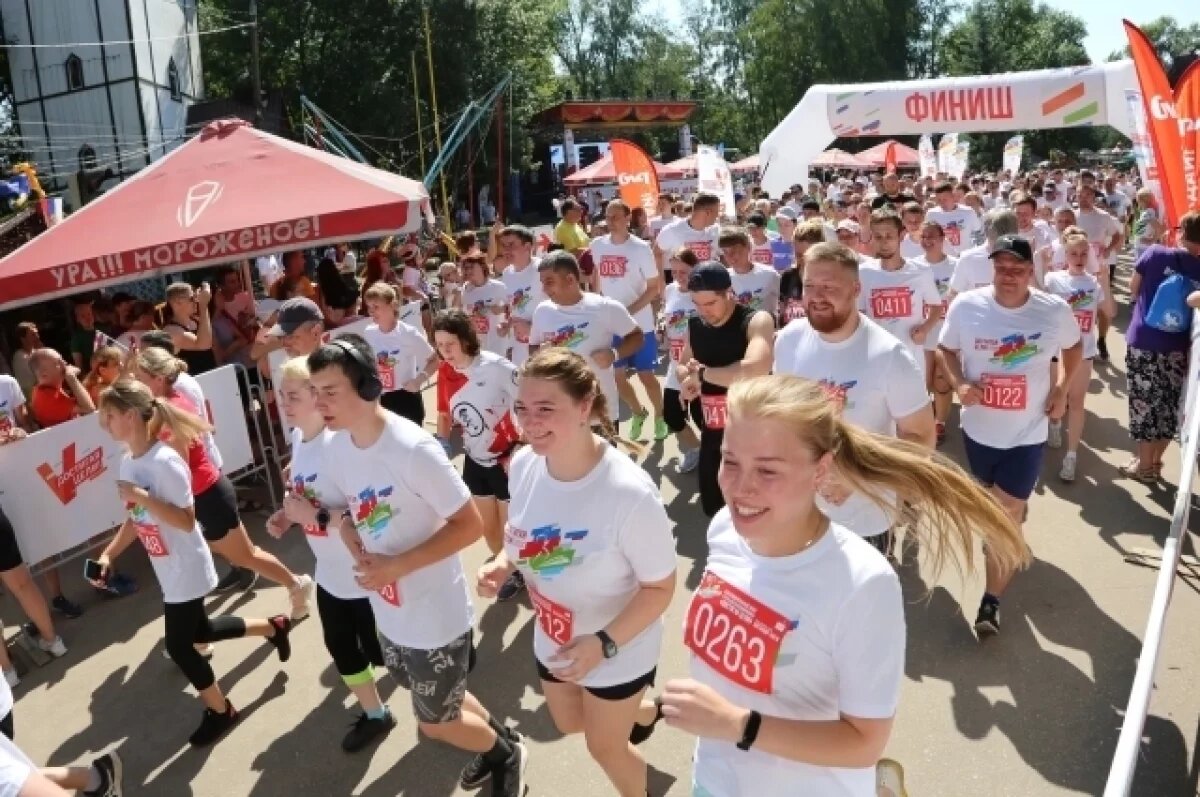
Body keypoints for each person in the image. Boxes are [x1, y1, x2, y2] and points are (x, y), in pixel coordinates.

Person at [658, 374, 1028, 797]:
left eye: (767, 469)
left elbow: (864, 741)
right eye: (730, 460)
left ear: (822, 468)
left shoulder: (862, 585)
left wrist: (737, 724)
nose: (741, 487)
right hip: (716, 781)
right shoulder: (725, 530)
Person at [307, 334, 527, 795]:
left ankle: (506, 755)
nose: (319, 401)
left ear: (367, 387)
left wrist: (398, 566)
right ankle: (499, 739)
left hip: (434, 616)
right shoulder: (336, 446)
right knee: (438, 697)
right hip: (389, 609)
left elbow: (467, 525)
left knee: (435, 724)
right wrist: (351, 536)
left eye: (330, 390)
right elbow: (353, 511)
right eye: (315, 391)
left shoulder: (412, 448)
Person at [476, 348, 676, 797]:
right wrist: (503, 562)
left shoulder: (627, 493)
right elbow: (520, 532)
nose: (530, 421)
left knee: (605, 748)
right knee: (569, 721)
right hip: (554, 636)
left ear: (585, 406)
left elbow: (661, 587)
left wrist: (603, 644)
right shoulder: (526, 463)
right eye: (523, 408)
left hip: (618, 646)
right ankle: (644, 711)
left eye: (546, 409)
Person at [92, 378, 292, 746]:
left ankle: (221, 710)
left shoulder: (164, 461)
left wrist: (142, 496)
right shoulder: (128, 462)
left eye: (110, 414)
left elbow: (185, 520)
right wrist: (108, 555)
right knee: (200, 632)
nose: (104, 422)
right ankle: (273, 626)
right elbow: (137, 518)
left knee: (182, 646)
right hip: (166, 564)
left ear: (132, 416)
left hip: (186, 563)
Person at [938, 234, 1082, 635]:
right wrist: (960, 384)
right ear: (993, 269)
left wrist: (1062, 389)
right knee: (991, 505)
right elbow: (945, 349)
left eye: (1017, 269)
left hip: (1027, 433)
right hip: (979, 431)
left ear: (1030, 272)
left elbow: (1073, 349)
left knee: (1003, 516)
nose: (1009, 276)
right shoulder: (968, 307)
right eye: (1002, 268)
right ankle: (1012, 516)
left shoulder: (1051, 311)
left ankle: (991, 602)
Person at [774, 242, 935, 555]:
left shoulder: (889, 355)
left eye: (829, 286)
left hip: (866, 518)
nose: (817, 296)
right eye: (809, 286)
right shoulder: (788, 340)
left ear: (856, 289)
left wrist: (855, 477)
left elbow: (921, 436)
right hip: (802, 511)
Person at [269, 357, 395, 753]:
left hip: (366, 572)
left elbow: (367, 514)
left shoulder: (340, 445)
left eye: (293, 395)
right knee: (341, 647)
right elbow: (308, 500)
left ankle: (451, 674)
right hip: (330, 574)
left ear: (317, 396)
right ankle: (377, 714)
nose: (283, 403)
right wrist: (287, 514)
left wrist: (316, 516)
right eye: (282, 395)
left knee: (387, 653)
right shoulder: (297, 440)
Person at [134, 347, 314, 620]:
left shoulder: (173, 407)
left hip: (207, 495)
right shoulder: (164, 404)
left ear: (157, 379)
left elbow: (178, 467)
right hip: (201, 495)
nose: (137, 383)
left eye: (140, 377)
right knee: (226, 553)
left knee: (247, 556)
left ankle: (296, 584)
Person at [432, 310, 524, 601]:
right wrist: (442, 446)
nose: (445, 351)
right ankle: (504, 563)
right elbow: (444, 414)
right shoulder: (445, 373)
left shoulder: (496, 367)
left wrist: (522, 443)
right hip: (475, 461)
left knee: (511, 527)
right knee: (489, 529)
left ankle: (518, 572)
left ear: (466, 340)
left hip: (507, 459)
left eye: (451, 344)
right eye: (439, 344)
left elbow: (528, 401)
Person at [675, 263, 775, 517]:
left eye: (710, 304)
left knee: (756, 511)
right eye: (697, 304)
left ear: (729, 292)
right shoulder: (695, 325)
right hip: (714, 433)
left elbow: (756, 368)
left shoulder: (755, 320)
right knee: (715, 508)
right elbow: (683, 365)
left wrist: (702, 374)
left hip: (754, 436)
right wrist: (687, 380)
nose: (703, 311)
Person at [1120, 211, 1200, 481]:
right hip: (1178, 347)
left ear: (1181, 233)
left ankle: (1143, 467)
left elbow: (1133, 288)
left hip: (1144, 340)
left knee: (1144, 405)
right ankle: (1154, 463)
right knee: (1168, 406)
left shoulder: (1154, 253)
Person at [529, 251, 643, 435]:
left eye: (549, 282)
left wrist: (613, 354)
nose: (544, 289)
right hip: (560, 412)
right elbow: (533, 348)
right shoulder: (542, 311)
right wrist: (540, 354)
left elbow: (637, 336)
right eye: (542, 282)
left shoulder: (605, 307)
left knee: (605, 464)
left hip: (599, 411)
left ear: (571, 279)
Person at [590, 200, 666, 442]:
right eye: (608, 216)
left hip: (639, 325)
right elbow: (597, 279)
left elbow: (654, 288)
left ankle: (660, 416)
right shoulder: (597, 245)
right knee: (616, 376)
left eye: (615, 216)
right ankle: (637, 412)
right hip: (610, 326)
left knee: (646, 376)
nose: (611, 221)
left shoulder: (640, 249)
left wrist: (629, 310)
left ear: (627, 219)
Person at [1042, 230, 1114, 482]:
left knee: (1077, 401)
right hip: (1055, 350)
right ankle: (1054, 424)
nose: (1079, 257)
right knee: (1055, 395)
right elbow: (1036, 303)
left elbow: (1110, 311)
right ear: (1065, 254)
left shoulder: (1093, 284)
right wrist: (1039, 264)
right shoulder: (1052, 279)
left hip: (1084, 350)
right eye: (1074, 253)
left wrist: (1104, 281)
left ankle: (1071, 457)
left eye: (1084, 253)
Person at [858, 210, 942, 380]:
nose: (884, 243)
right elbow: (859, 312)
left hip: (911, 358)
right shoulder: (863, 273)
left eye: (889, 236)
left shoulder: (921, 271)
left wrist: (925, 329)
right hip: (876, 358)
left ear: (901, 235)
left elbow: (936, 306)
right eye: (878, 237)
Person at [361, 283, 438, 427]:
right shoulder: (369, 332)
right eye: (369, 307)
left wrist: (419, 381)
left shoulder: (408, 333)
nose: (371, 312)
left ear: (393, 305)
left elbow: (434, 360)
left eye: (376, 307)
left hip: (406, 399)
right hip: (382, 400)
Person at [913, 221, 959, 441]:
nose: (928, 241)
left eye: (932, 236)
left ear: (942, 239)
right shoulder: (912, 266)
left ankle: (939, 422)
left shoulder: (956, 266)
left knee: (941, 381)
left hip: (946, 333)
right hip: (921, 332)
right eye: (924, 236)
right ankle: (923, 418)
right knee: (922, 381)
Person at [660, 248, 704, 474]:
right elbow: (668, 318)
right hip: (675, 362)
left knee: (701, 416)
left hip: (698, 364)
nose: (678, 275)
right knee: (671, 414)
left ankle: (717, 454)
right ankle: (696, 449)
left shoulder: (703, 293)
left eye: (683, 271)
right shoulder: (669, 290)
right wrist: (663, 330)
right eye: (674, 271)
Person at [1073, 183, 1124, 360]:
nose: (1083, 198)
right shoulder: (1072, 216)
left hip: (1099, 269)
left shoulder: (1103, 217)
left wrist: (1109, 249)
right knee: (1079, 307)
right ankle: (1078, 344)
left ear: (1093, 197)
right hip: (1077, 269)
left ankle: (1101, 339)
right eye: (1080, 195)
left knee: (1104, 309)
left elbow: (1118, 235)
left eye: (1087, 195)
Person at [495, 224, 546, 367]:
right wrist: (506, 324)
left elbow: (561, 307)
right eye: (503, 245)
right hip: (520, 347)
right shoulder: (507, 273)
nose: (506, 250)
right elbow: (515, 307)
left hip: (545, 347)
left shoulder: (543, 269)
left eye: (511, 245)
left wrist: (532, 328)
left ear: (528, 246)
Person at [948, 208, 1018, 297]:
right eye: (997, 234)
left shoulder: (1023, 258)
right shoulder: (968, 259)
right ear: (987, 231)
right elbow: (953, 294)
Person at [719, 228, 781, 318]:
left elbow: (784, 305)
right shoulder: (723, 278)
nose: (730, 256)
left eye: (734, 251)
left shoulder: (770, 274)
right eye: (725, 252)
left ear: (748, 247)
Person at [456, 253, 510, 357]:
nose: (468, 271)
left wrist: (497, 310)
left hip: (497, 342)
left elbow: (512, 308)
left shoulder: (498, 287)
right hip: (476, 343)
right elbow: (456, 312)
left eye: (471, 267)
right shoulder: (466, 289)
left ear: (482, 266)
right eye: (465, 268)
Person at [655, 193, 722, 275]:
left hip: (707, 282)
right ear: (708, 213)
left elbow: (723, 255)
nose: (718, 216)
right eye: (717, 212)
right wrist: (661, 280)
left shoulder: (716, 230)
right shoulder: (672, 230)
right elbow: (656, 253)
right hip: (680, 283)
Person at [161, 281, 217, 375]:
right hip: (193, 383)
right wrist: (203, 305)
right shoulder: (171, 331)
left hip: (211, 377)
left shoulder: (196, 321)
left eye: (196, 297)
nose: (196, 301)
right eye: (192, 298)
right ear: (177, 303)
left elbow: (212, 348)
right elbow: (203, 345)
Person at [779, 221, 825, 325]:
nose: (802, 260)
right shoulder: (788, 276)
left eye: (807, 254)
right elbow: (782, 314)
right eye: (798, 254)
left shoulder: (829, 279)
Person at [924, 180, 981, 258]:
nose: (942, 203)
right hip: (944, 259)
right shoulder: (931, 214)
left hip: (965, 257)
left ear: (953, 196)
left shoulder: (968, 212)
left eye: (945, 199)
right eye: (939, 200)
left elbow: (977, 233)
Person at [1132, 187, 1165, 258]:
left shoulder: (1148, 212)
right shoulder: (1147, 212)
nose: (1137, 202)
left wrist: (1152, 240)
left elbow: (1160, 229)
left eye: (1138, 199)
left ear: (1142, 200)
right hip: (1142, 247)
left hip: (1143, 248)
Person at [68, 298, 98, 373]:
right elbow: (79, 366)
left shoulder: (102, 331)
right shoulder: (77, 338)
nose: (88, 318)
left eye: (89, 314)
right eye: (83, 316)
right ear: (77, 319)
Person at [11, 322, 40, 397]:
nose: (37, 337)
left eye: (37, 334)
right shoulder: (20, 358)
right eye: (33, 335)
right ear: (23, 339)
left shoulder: (36, 352)